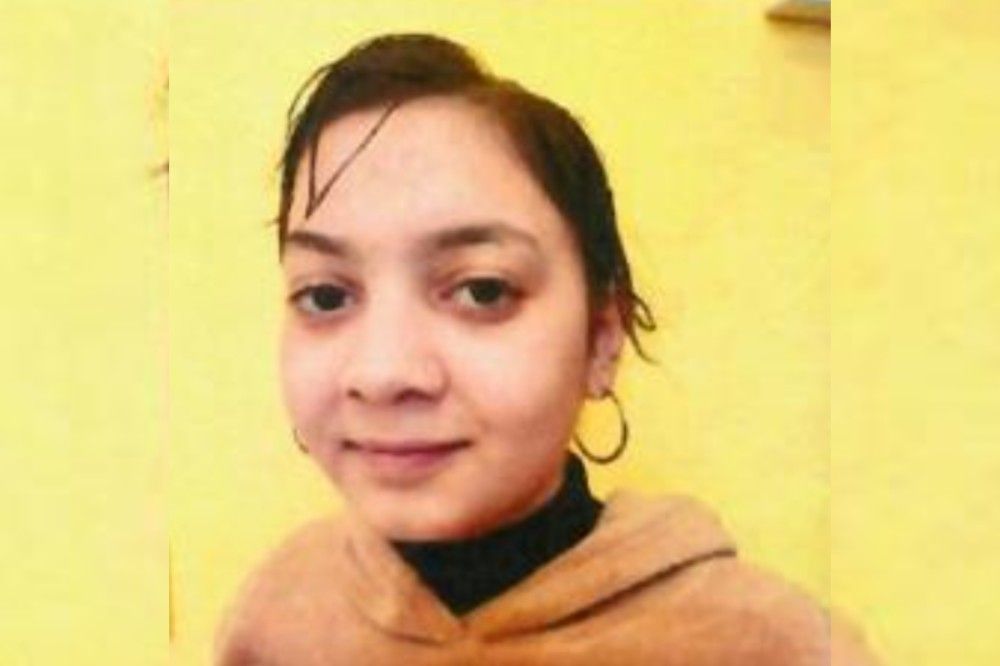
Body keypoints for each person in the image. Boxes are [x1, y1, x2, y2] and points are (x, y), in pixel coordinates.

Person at [215, 33, 877, 665]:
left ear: (602, 337)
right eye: (326, 296)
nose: (383, 372)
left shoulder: (766, 644)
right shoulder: (280, 615)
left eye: (482, 290)